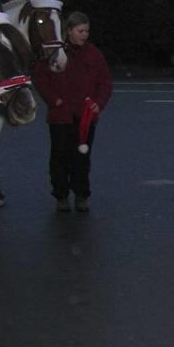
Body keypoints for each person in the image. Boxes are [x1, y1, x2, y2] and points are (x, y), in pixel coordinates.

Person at [33, 11, 112, 212]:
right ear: (68, 31)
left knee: (82, 157)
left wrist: (98, 103)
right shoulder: (55, 53)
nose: (84, 35)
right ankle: (61, 195)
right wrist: (54, 100)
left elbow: (105, 82)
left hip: (85, 116)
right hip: (61, 116)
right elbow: (40, 79)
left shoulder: (94, 53)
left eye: (87, 31)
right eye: (80, 31)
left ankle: (81, 194)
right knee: (59, 157)